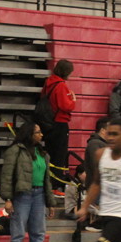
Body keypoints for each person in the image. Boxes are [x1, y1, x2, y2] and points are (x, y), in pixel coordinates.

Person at [0, 120, 55, 242]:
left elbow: (47, 180)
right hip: (21, 196)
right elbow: (7, 176)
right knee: (17, 235)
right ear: (29, 134)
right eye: (37, 132)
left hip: (39, 196)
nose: (41, 135)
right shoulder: (15, 151)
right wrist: (8, 199)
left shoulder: (43, 153)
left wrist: (50, 202)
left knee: (38, 235)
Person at [38, 59, 77, 190]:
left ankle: (50, 182)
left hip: (49, 122)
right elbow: (65, 106)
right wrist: (73, 101)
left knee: (51, 154)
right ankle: (56, 185)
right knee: (59, 156)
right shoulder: (61, 85)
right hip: (60, 123)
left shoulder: (48, 83)